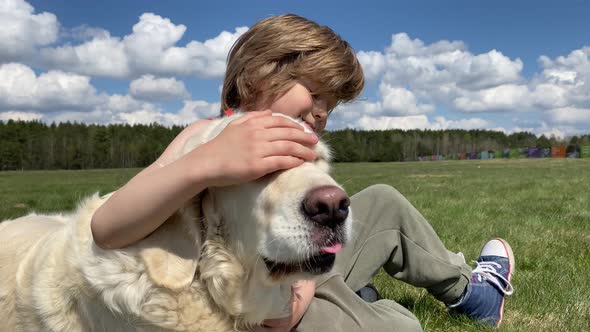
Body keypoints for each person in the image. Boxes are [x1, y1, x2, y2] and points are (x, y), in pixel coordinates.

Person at [91, 14, 515, 332]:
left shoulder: (303, 148)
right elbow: (107, 228)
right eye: (314, 93)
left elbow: (326, 222)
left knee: (384, 199)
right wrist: (202, 165)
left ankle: (471, 295)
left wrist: (309, 282)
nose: (322, 111)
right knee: (400, 327)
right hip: (263, 300)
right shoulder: (205, 138)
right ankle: (368, 304)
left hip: (306, 270)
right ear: (257, 74)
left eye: (331, 103)